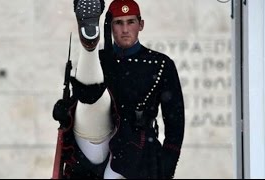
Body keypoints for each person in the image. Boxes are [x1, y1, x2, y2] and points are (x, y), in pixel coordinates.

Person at [53, 0, 185, 179]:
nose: (124, 30)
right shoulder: (97, 63)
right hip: (97, 138)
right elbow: (79, 104)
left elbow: (175, 121)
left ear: (141, 24)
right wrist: (64, 110)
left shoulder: (160, 64)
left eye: (130, 22)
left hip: (135, 145)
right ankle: (89, 45)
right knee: (92, 94)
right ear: (109, 26)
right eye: (118, 23)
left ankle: (88, 46)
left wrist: (168, 164)